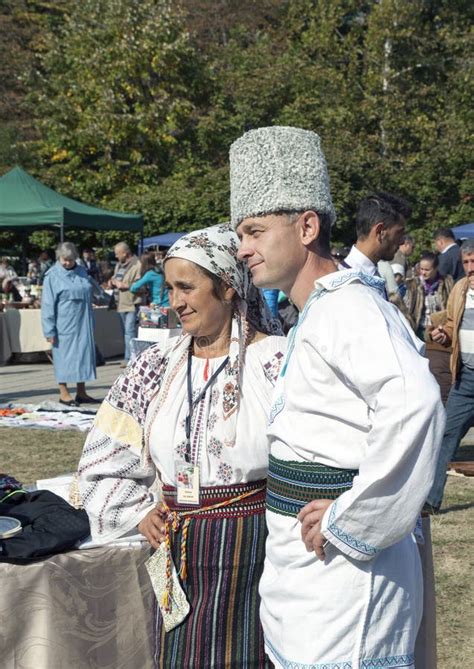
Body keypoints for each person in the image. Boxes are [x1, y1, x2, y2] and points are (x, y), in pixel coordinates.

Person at [230, 125, 445, 669]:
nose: (242, 248)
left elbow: (416, 406)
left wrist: (352, 521)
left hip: (346, 582)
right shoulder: (318, 310)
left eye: (255, 230)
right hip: (309, 578)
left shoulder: (351, 308)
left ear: (306, 227)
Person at [78, 224, 286, 668]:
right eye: (170, 287)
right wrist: (137, 511)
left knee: (250, 653)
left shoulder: (278, 363)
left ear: (228, 288)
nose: (174, 302)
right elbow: (106, 452)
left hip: (257, 545)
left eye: (187, 288)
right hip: (176, 543)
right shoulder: (154, 366)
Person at [427, 239, 474, 510]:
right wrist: (442, 334)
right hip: (465, 380)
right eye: (466, 262)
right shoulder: (460, 289)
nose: (470, 268)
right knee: (445, 436)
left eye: (473, 262)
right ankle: (432, 501)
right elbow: (452, 325)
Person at [41, 242, 98, 406]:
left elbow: (90, 291)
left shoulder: (81, 271)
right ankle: (64, 393)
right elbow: (47, 305)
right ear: (58, 257)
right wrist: (49, 330)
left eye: (70, 260)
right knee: (63, 358)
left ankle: (82, 392)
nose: (67, 263)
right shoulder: (52, 276)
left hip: (83, 323)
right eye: (64, 259)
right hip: (64, 325)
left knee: (83, 357)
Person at [404, 251, 454, 340]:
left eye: (427, 270)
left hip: (440, 331)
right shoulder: (414, 285)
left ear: (435, 268)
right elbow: (407, 309)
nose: (423, 273)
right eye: (421, 269)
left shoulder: (446, 283)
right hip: (420, 330)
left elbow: (452, 307)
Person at [111, 242, 141, 365]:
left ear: (125, 253)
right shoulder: (119, 265)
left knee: (130, 331)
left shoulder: (138, 265)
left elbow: (141, 285)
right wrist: (112, 281)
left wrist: (125, 285)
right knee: (126, 332)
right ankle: (130, 356)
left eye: (117, 254)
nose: (116, 257)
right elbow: (115, 277)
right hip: (120, 303)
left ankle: (129, 359)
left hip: (132, 303)